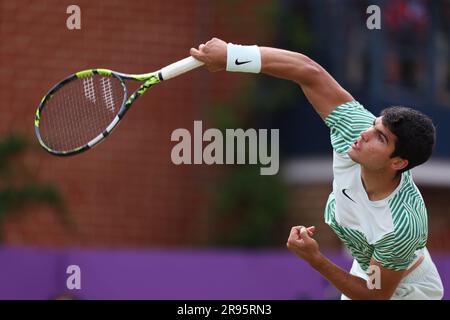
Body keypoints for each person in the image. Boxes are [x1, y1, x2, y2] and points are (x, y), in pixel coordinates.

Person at [190, 38, 444, 300]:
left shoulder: (402, 224)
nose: (366, 134)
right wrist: (232, 55)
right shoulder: (355, 132)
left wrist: (315, 259)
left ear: (398, 163)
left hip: (408, 291)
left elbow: (375, 295)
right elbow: (308, 71)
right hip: (372, 266)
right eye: (374, 126)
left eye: (381, 138)